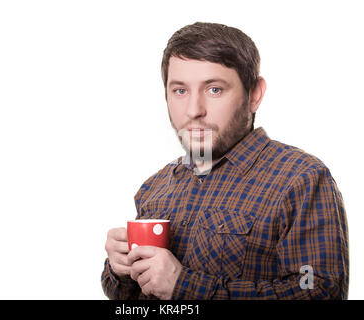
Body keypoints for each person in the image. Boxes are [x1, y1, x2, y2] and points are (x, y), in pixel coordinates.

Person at [101, 22, 349, 300]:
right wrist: (119, 269)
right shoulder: (155, 187)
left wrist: (184, 286)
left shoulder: (300, 179)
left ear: (254, 94)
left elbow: (318, 291)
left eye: (214, 89)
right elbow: (130, 298)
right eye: (180, 91)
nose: (194, 110)